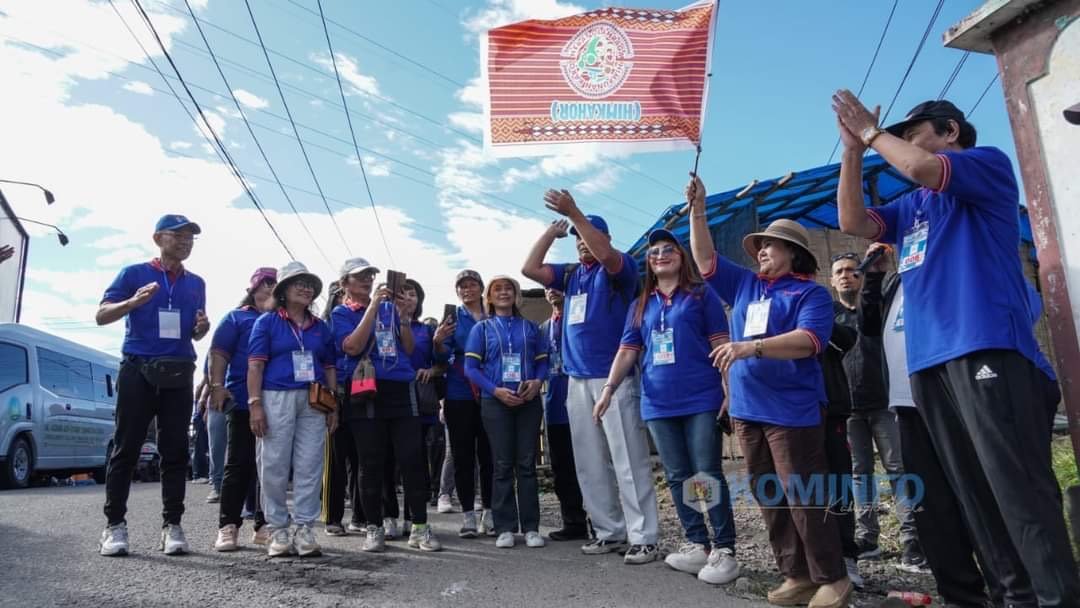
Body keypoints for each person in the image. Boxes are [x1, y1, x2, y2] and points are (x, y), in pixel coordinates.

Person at [833, 92, 1080, 606]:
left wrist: (875, 135)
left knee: (1017, 491)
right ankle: (1013, 598)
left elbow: (922, 166)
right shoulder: (911, 207)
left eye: (913, 130)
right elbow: (853, 222)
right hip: (930, 364)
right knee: (973, 498)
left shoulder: (983, 165)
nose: (901, 141)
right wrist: (853, 151)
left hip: (986, 348)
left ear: (949, 131)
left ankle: (1056, 597)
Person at [687, 177, 852, 607]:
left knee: (803, 496)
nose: (762, 251)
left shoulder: (810, 293)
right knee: (769, 496)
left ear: (793, 253)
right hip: (746, 410)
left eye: (771, 245)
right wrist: (698, 210)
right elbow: (704, 257)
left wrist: (751, 346)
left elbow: (810, 341)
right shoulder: (745, 284)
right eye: (760, 245)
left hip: (792, 411)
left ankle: (832, 577)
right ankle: (795, 574)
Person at [859, 242, 1015, 607]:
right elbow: (868, 326)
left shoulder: (949, 276)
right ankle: (960, 596)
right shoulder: (895, 284)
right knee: (932, 508)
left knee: (976, 499)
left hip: (953, 400)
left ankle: (1009, 591)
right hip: (905, 404)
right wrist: (873, 278)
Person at [596, 229, 740, 584]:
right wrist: (609, 389)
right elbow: (628, 351)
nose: (661, 254)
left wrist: (729, 389)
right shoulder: (640, 304)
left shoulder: (701, 295)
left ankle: (725, 548)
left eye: (669, 249)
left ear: (681, 256)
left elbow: (721, 343)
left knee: (705, 472)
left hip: (700, 398)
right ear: (649, 262)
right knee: (677, 476)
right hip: (658, 403)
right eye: (654, 251)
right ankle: (698, 543)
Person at [521, 195, 659, 565]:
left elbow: (607, 255)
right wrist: (554, 231)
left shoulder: (620, 268)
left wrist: (576, 215)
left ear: (606, 237)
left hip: (614, 377)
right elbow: (529, 268)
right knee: (589, 460)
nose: (583, 241)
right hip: (576, 380)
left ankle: (644, 536)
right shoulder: (570, 275)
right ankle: (608, 530)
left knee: (627, 458)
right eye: (579, 238)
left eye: (591, 235)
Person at [96, 214, 209, 557]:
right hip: (138, 368)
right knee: (126, 447)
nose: (186, 242)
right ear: (159, 238)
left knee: (175, 450)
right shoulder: (134, 273)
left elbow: (195, 331)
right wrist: (132, 303)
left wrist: (201, 328)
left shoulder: (196, 283)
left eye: (191, 237)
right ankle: (115, 526)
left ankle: (172, 526)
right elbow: (101, 315)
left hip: (178, 370)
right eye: (179, 236)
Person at [333, 261, 441, 553]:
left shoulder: (391, 310)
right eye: (361, 277)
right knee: (371, 462)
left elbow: (408, 349)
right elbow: (352, 347)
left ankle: (420, 527)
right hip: (366, 390)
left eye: (371, 275)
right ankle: (374, 528)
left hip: (401, 387)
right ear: (345, 283)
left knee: (412, 459)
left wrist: (404, 316)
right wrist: (372, 309)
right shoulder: (341, 313)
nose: (368, 280)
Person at [829, 251, 922, 568]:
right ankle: (867, 538)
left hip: (884, 403)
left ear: (861, 276)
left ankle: (912, 541)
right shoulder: (827, 316)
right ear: (831, 280)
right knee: (860, 475)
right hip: (850, 410)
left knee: (898, 470)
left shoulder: (878, 310)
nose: (846, 275)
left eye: (852, 270)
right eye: (839, 271)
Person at [247, 261, 338, 558]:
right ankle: (277, 528)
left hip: (313, 400)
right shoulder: (267, 322)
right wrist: (255, 405)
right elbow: (256, 365)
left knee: (310, 464)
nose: (306, 288)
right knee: (273, 463)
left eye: (310, 284)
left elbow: (329, 365)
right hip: (275, 397)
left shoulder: (320, 327)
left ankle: (304, 528)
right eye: (299, 282)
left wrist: (333, 405)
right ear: (283, 289)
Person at [464, 275, 549, 549]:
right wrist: (495, 390)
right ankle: (504, 527)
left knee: (526, 464)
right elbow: (470, 369)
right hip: (495, 401)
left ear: (516, 294)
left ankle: (532, 527)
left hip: (528, 401)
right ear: (489, 297)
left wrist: (537, 382)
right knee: (501, 465)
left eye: (508, 288)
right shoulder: (482, 329)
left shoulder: (531, 327)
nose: (503, 293)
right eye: (497, 289)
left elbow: (542, 363)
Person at [211, 267, 277, 551]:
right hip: (241, 397)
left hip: (277, 399)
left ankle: (263, 524)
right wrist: (216, 385)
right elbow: (219, 353)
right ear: (253, 287)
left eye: (276, 285)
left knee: (270, 466)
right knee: (239, 462)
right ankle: (228, 525)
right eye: (266, 284)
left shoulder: (283, 320)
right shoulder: (236, 317)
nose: (270, 289)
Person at [434, 270, 495, 538]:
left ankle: (490, 513)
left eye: (472, 285)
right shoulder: (452, 317)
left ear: (481, 288)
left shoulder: (494, 314)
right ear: (457, 291)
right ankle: (468, 514)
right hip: (459, 391)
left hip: (491, 390)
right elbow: (441, 355)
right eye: (462, 286)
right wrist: (437, 341)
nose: (467, 289)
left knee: (489, 455)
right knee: (461, 456)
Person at [538, 288, 589, 542]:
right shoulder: (542, 328)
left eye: (556, 285)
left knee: (591, 464)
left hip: (584, 400)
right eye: (547, 287)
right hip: (556, 404)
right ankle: (573, 521)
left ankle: (603, 521)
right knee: (562, 467)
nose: (552, 291)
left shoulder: (580, 319)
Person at [817, 314, 861, 588]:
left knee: (839, 483)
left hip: (831, 411)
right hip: (790, 412)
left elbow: (848, 339)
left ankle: (846, 556)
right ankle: (813, 561)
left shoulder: (825, 308)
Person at [320, 279, 365, 537]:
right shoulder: (325, 324)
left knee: (361, 457)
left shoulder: (363, 317)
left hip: (363, 389)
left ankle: (359, 515)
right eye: (336, 293)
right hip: (337, 391)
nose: (342, 298)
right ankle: (332, 516)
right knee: (336, 459)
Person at [402, 281, 446, 514]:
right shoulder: (381, 325)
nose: (408, 299)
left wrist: (431, 371)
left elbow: (441, 364)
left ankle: (414, 517)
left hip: (418, 398)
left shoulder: (425, 330)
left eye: (413, 295)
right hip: (387, 396)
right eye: (403, 294)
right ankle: (387, 517)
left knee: (416, 457)